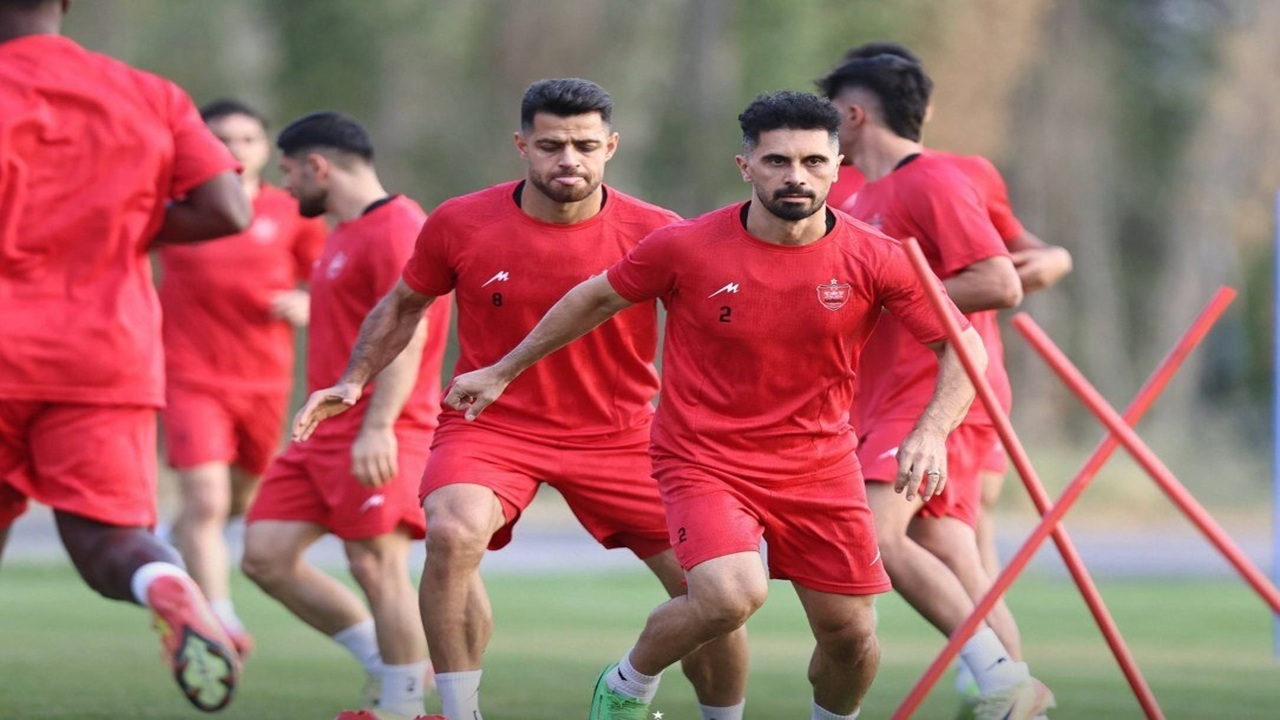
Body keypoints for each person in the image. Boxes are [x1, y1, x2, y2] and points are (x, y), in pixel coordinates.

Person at [434, 90, 984, 720]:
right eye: (777, 161)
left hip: (821, 465)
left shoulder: (878, 256)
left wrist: (932, 430)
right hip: (704, 459)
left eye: (812, 161)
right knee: (729, 595)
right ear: (745, 166)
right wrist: (503, 370)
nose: (796, 176)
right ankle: (627, 684)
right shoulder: (686, 246)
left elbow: (963, 346)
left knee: (851, 638)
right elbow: (594, 298)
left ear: (838, 166)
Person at [291, 78, 749, 720]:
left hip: (621, 433)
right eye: (551, 145)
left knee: (712, 591)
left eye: (585, 145)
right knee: (452, 533)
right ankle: (459, 713)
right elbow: (403, 305)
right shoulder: (461, 222)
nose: (569, 160)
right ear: (522, 145)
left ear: (611, 147)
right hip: (491, 426)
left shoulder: (657, 231)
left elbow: (718, 333)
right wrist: (354, 379)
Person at [0, 0, 250, 712]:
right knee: (109, 542)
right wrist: (124, 223)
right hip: (104, 354)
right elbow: (228, 207)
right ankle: (163, 581)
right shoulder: (148, 93)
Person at [829, 40, 1073, 705]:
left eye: (828, 113)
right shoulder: (858, 189)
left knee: (879, 534)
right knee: (945, 543)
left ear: (853, 114)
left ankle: (1000, 681)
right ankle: (1013, 696)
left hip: (937, 393)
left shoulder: (936, 179)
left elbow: (1000, 279)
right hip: (883, 393)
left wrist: (888, 297)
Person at [237, 112, 451, 720]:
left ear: (318, 166)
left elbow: (413, 333)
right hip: (322, 431)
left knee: (375, 564)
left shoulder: (398, 228)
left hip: (382, 427)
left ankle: (403, 707)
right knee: (265, 556)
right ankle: (387, 665)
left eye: (288, 172)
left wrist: (379, 426)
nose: (285, 186)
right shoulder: (342, 230)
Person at [158, 98, 328, 657]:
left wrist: (307, 302)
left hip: (263, 383)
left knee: (235, 500)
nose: (235, 150)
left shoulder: (290, 211)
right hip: (188, 374)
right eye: (221, 139)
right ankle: (218, 620)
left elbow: (330, 281)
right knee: (207, 499)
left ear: (265, 150)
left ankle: (173, 540)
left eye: (247, 139)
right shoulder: (175, 209)